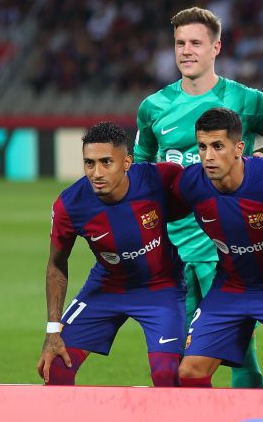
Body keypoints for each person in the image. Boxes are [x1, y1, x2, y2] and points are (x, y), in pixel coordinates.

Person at [135, 6, 263, 389]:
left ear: (216, 47)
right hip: (172, 246)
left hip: (229, 244)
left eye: (196, 43)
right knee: (174, 353)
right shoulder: (153, 108)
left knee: (238, 349)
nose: (186, 50)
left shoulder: (247, 101)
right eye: (180, 43)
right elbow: (141, 170)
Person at [172, 108, 263, 389]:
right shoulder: (191, 183)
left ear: (239, 148)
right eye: (202, 147)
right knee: (190, 372)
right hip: (232, 286)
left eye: (217, 146)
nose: (209, 156)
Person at [39, 122, 186, 387]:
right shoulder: (70, 204)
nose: (96, 172)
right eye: (89, 163)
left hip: (161, 287)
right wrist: (52, 330)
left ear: (127, 162)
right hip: (108, 287)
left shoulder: (160, 178)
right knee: (56, 369)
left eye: (106, 162)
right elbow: (56, 265)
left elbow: (212, 186)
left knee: (167, 376)